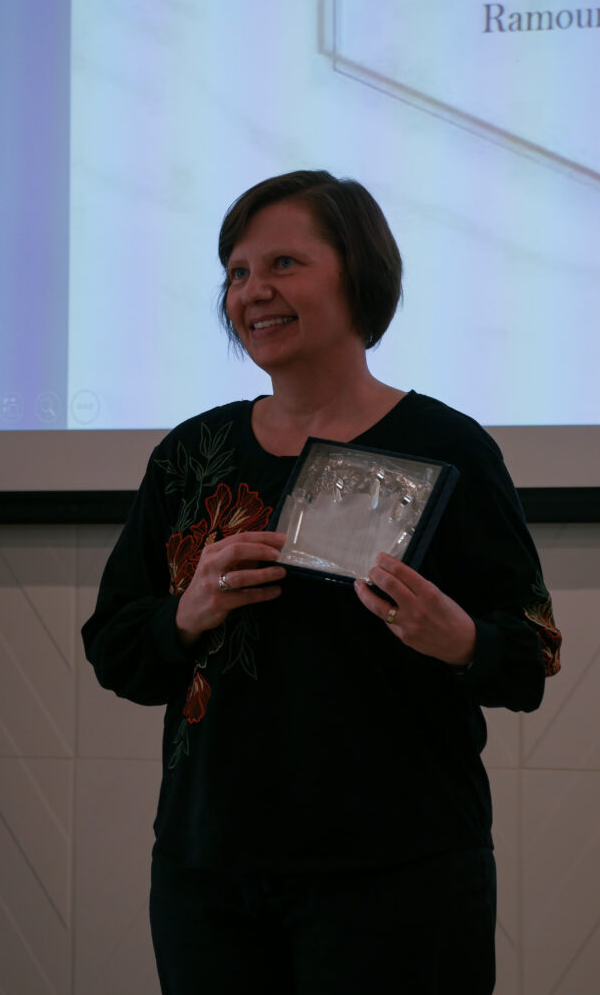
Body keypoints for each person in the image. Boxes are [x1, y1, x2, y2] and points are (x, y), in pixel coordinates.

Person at [82, 170, 562, 994]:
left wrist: (462, 641)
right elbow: (120, 651)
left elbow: (529, 656)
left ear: (358, 274)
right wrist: (187, 614)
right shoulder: (193, 456)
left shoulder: (448, 445)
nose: (252, 292)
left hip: (400, 876)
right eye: (236, 272)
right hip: (212, 877)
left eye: (283, 265)